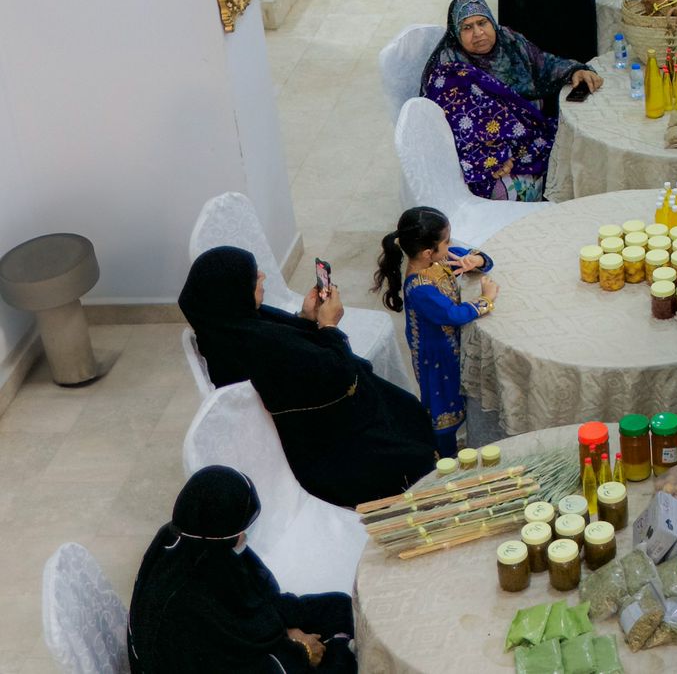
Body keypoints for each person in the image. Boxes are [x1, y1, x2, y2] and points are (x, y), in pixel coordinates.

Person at [179, 247, 438, 508]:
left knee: (404, 407)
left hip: (319, 415)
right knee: (412, 450)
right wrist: (329, 326)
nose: (262, 276)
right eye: (253, 276)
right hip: (324, 445)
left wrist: (306, 318)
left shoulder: (229, 325)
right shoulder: (256, 347)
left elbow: (294, 352)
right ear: (233, 292)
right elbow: (336, 375)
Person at [128, 466, 357, 673]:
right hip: (221, 662)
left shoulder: (199, 545)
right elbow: (239, 662)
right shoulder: (185, 603)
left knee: (344, 608)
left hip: (237, 641)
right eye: (239, 530)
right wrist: (301, 651)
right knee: (343, 660)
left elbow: (250, 602)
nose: (244, 536)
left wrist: (288, 632)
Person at [421, 0, 603, 202]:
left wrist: (574, 71)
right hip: (487, 154)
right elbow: (455, 123)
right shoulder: (450, 68)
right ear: (455, 33)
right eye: (467, 28)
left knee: (582, 153)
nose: (478, 33)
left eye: (482, 23)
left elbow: (544, 64)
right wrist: (493, 155)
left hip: (531, 132)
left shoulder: (509, 41)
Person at [371, 206, 499, 458]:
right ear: (428, 252)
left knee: (458, 394)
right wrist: (485, 299)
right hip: (436, 356)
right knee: (444, 406)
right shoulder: (420, 288)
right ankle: (445, 457)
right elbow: (452, 314)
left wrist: (476, 260)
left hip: (449, 344)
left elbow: (481, 258)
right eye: (447, 241)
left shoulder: (438, 259)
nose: (451, 246)